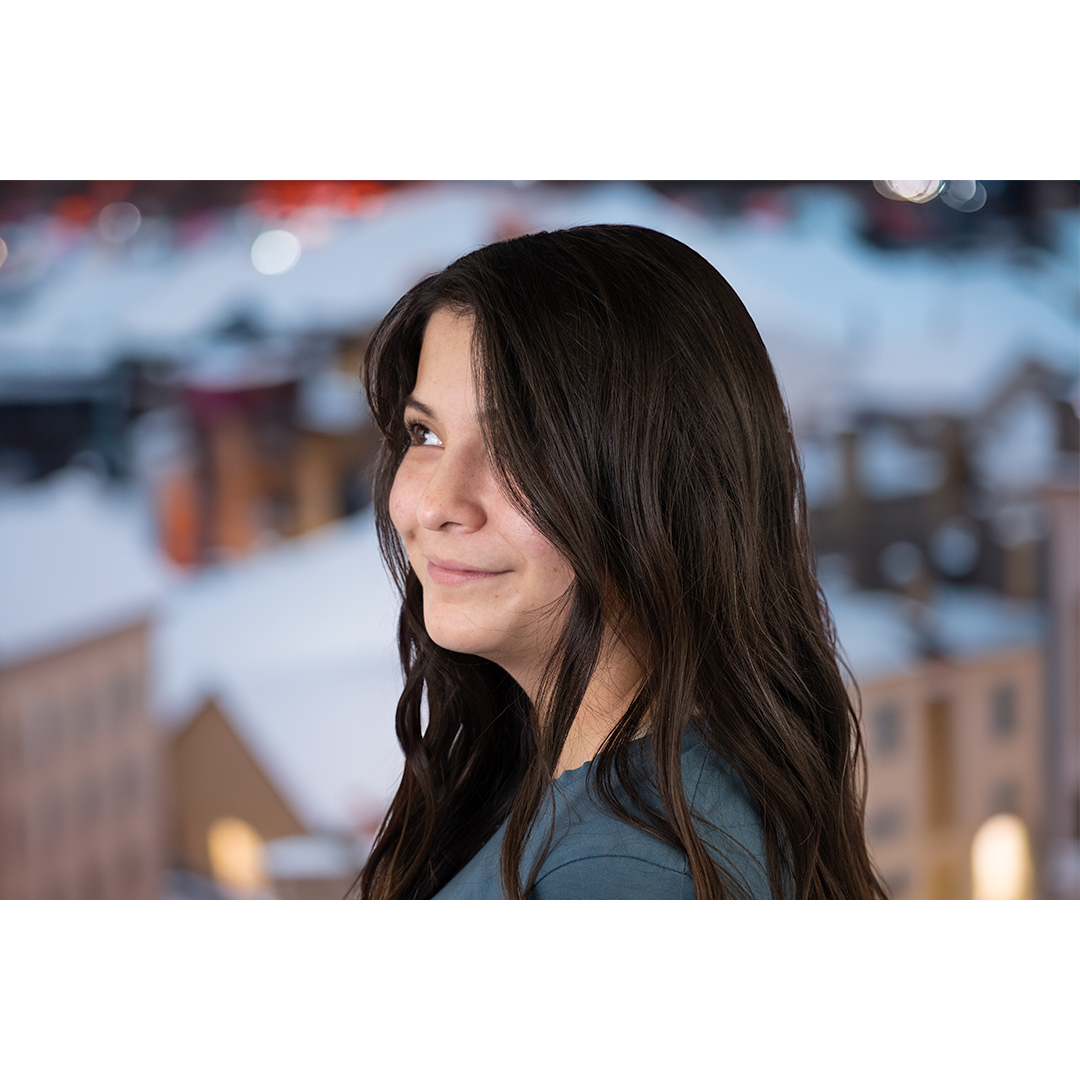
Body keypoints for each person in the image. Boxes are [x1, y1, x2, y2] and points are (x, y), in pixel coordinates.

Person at [353, 223, 887, 900]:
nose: (434, 505)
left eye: (521, 442)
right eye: (424, 433)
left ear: (665, 482)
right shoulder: (610, 788)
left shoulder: (620, 876)